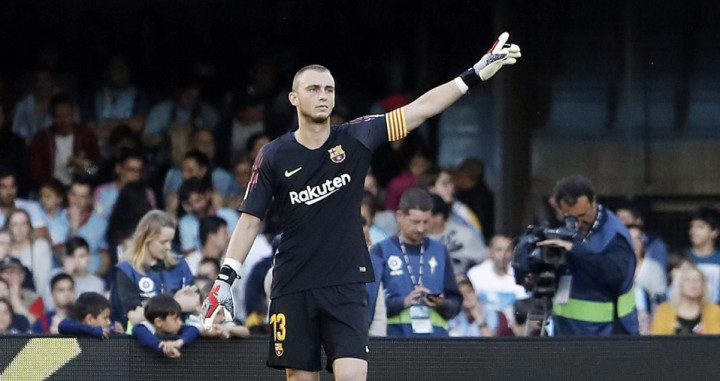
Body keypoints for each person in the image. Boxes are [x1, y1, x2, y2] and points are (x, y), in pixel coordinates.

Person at [201, 33, 520, 380]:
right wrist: (224, 280)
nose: (323, 96)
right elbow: (249, 221)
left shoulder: (356, 136)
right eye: (313, 89)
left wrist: (473, 73)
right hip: (293, 284)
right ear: (293, 98)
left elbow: (420, 110)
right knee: (300, 378)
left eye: (329, 89)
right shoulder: (273, 155)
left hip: (346, 284)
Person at [536, 175, 638, 335]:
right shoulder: (558, 229)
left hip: (608, 333)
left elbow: (614, 275)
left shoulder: (614, 235)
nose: (578, 223)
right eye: (570, 217)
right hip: (566, 332)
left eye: (583, 215)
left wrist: (574, 250)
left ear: (593, 202)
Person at [371, 188, 462, 337]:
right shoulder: (381, 250)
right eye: (415, 222)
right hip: (395, 340)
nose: (420, 228)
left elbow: (456, 302)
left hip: (436, 340)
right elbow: (371, 304)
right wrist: (403, 302)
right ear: (400, 216)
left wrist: (442, 304)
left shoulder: (440, 251)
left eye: (425, 222)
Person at [110, 210, 194, 329]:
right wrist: (176, 303)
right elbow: (135, 316)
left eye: (171, 241)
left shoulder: (180, 265)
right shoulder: (126, 270)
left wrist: (148, 306)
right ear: (146, 239)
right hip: (138, 343)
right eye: (163, 242)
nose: (168, 247)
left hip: (180, 338)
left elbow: (194, 304)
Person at [29, 93, 100, 187]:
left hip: (78, 191)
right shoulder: (42, 138)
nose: (63, 120)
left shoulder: (86, 135)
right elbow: (35, 173)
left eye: (67, 115)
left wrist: (83, 164)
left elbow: (95, 171)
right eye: (58, 116)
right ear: (52, 117)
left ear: (73, 114)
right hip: (50, 191)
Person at [465, 234, 528, 333]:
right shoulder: (475, 274)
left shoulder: (520, 275)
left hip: (511, 332)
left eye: (507, 250)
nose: (504, 255)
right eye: (499, 250)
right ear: (490, 251)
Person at [650, 262, 720, 335]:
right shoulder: (664, 310)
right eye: (687, 280)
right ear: (679, 285)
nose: (693, 284)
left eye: (697, 280)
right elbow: (656, 342)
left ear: (703, 286)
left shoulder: (715, 311)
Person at [59, 179, 110, 276]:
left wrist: (94, 279)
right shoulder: (57, 219)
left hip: (92, 274)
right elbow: (63, 256)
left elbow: (105, 257)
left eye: (82, 197)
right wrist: (73, 226)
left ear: (89, 200)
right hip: (64, 277)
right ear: (68, 195)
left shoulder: (101, 223)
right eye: (74, 195)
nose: (77, 201)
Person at [427, 194, 487, 274]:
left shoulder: (464, 235)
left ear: (438, 217)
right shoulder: (411, 237)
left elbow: (483, 260)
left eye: (424, 216)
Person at [177, 177, 239, 254]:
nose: (196, 206)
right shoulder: (185, 223)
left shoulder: (230, 215)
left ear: (207, 195)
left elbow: (239, 244)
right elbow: (189, 255)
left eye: (198, 200)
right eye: (190, 203)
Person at [93, 149, 155, 219]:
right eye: (131, 170)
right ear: (118, 169)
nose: (135, 174)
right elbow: (97, 216)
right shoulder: (102, 191)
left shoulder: (147, 193)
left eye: (138, 171)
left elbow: (150, 220)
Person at [132, 294, 200, 358]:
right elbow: (138, 330)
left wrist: (179, 342)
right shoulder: (146, 328)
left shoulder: (179, 329)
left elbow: (193, 329)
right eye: (175, 319)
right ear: (158, 322)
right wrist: (162, 346)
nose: (180, 322)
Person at [5, 209, 53, 297]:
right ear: (8, 227)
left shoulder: (40, 247)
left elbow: (42, 282)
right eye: (15, 225)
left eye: (24, 224)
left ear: (29, 226)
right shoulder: (4, 249)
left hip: (33, 298)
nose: (20, 229)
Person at [628, 225, 666, 335]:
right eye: (630, 238)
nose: (634, 243)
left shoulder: (655, 269)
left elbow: (660, 305)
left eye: (637, 238)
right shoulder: (614, 268)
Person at [614, 202, 669, 273]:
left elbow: (660, 272)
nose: (620, 224)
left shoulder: (656, 245)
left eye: (624, 220)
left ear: (639, 221)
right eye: (617, 220)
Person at [0, 166, 50, 239]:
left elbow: (43, 234)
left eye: (12, 186)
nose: (9, 192)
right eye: (3, 187)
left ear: (16, 188)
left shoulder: (32, 207)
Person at [685, 207, 720, 304]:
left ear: (714, 232)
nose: (693, 231)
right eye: (692, 226)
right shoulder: (681, 259)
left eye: (700, 227)